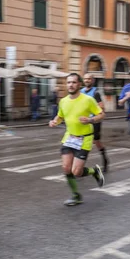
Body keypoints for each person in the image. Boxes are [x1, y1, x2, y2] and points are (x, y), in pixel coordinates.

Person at [49, 73, 105, 206]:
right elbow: (60, 116)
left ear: (79, 84)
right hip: (69, 137)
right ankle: (76, 195)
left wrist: (90, 120)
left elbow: (102, 114)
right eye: (68, 82)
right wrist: (54, 122)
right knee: (66, 168)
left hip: (84, 138)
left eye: (74, 82)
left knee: (77, 172)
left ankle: (94, 171)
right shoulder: (63, 101)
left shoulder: (88, 100)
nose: (71, 85)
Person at [82, 73, 109, 172]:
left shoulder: (95, 92)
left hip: (94, 121)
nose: (87, 80)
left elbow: (102, 108)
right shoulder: (81, 92)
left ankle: (105, 159)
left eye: (89, 79)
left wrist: (93, 113)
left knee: (96, 142)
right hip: (84, 121)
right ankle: (80, 165)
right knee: (83, 142)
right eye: (85, 79)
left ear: (92, 81)